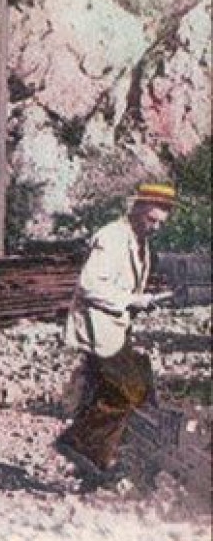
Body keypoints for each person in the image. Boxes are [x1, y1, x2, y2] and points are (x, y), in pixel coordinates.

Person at [56, 182, 178, 485]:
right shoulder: (111, 237)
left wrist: (142, 302)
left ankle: (99, 465)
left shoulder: (139, 241)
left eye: (161, 223)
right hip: (98, 327)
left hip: (115, 326)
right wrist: (131, 300)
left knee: (112, 389)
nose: (155, 228)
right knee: (129, 389)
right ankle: (77, 444)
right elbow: (89, 285)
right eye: (151, 220)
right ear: (136, 209)